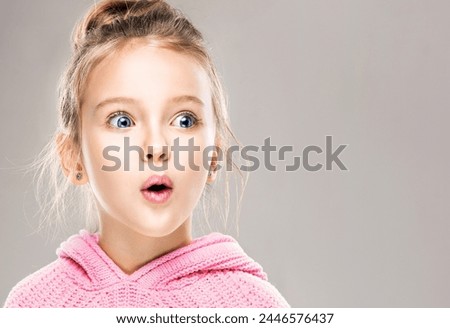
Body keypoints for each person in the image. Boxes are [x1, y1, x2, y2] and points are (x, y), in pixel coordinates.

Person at [4, 0, 289, 308]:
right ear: (73, 157)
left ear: (214, 156)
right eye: (122, 121)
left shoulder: (252, 306)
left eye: (184, 120)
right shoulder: (32, 305)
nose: (156, 147)